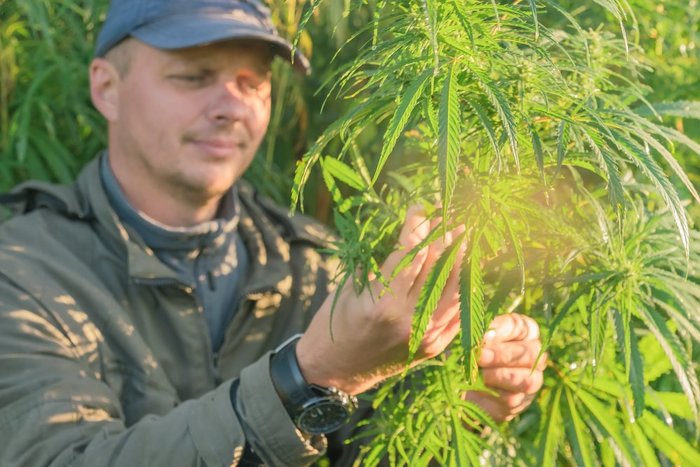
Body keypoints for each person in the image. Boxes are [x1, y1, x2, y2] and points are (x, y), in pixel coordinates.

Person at [0, 0, 546, 465]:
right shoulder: (21, 273)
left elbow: (362, 448)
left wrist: (458, 406)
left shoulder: (314, 262)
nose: (233, 107)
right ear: (107, 88)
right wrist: (314, 374)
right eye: (193, 76)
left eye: (253, 83)